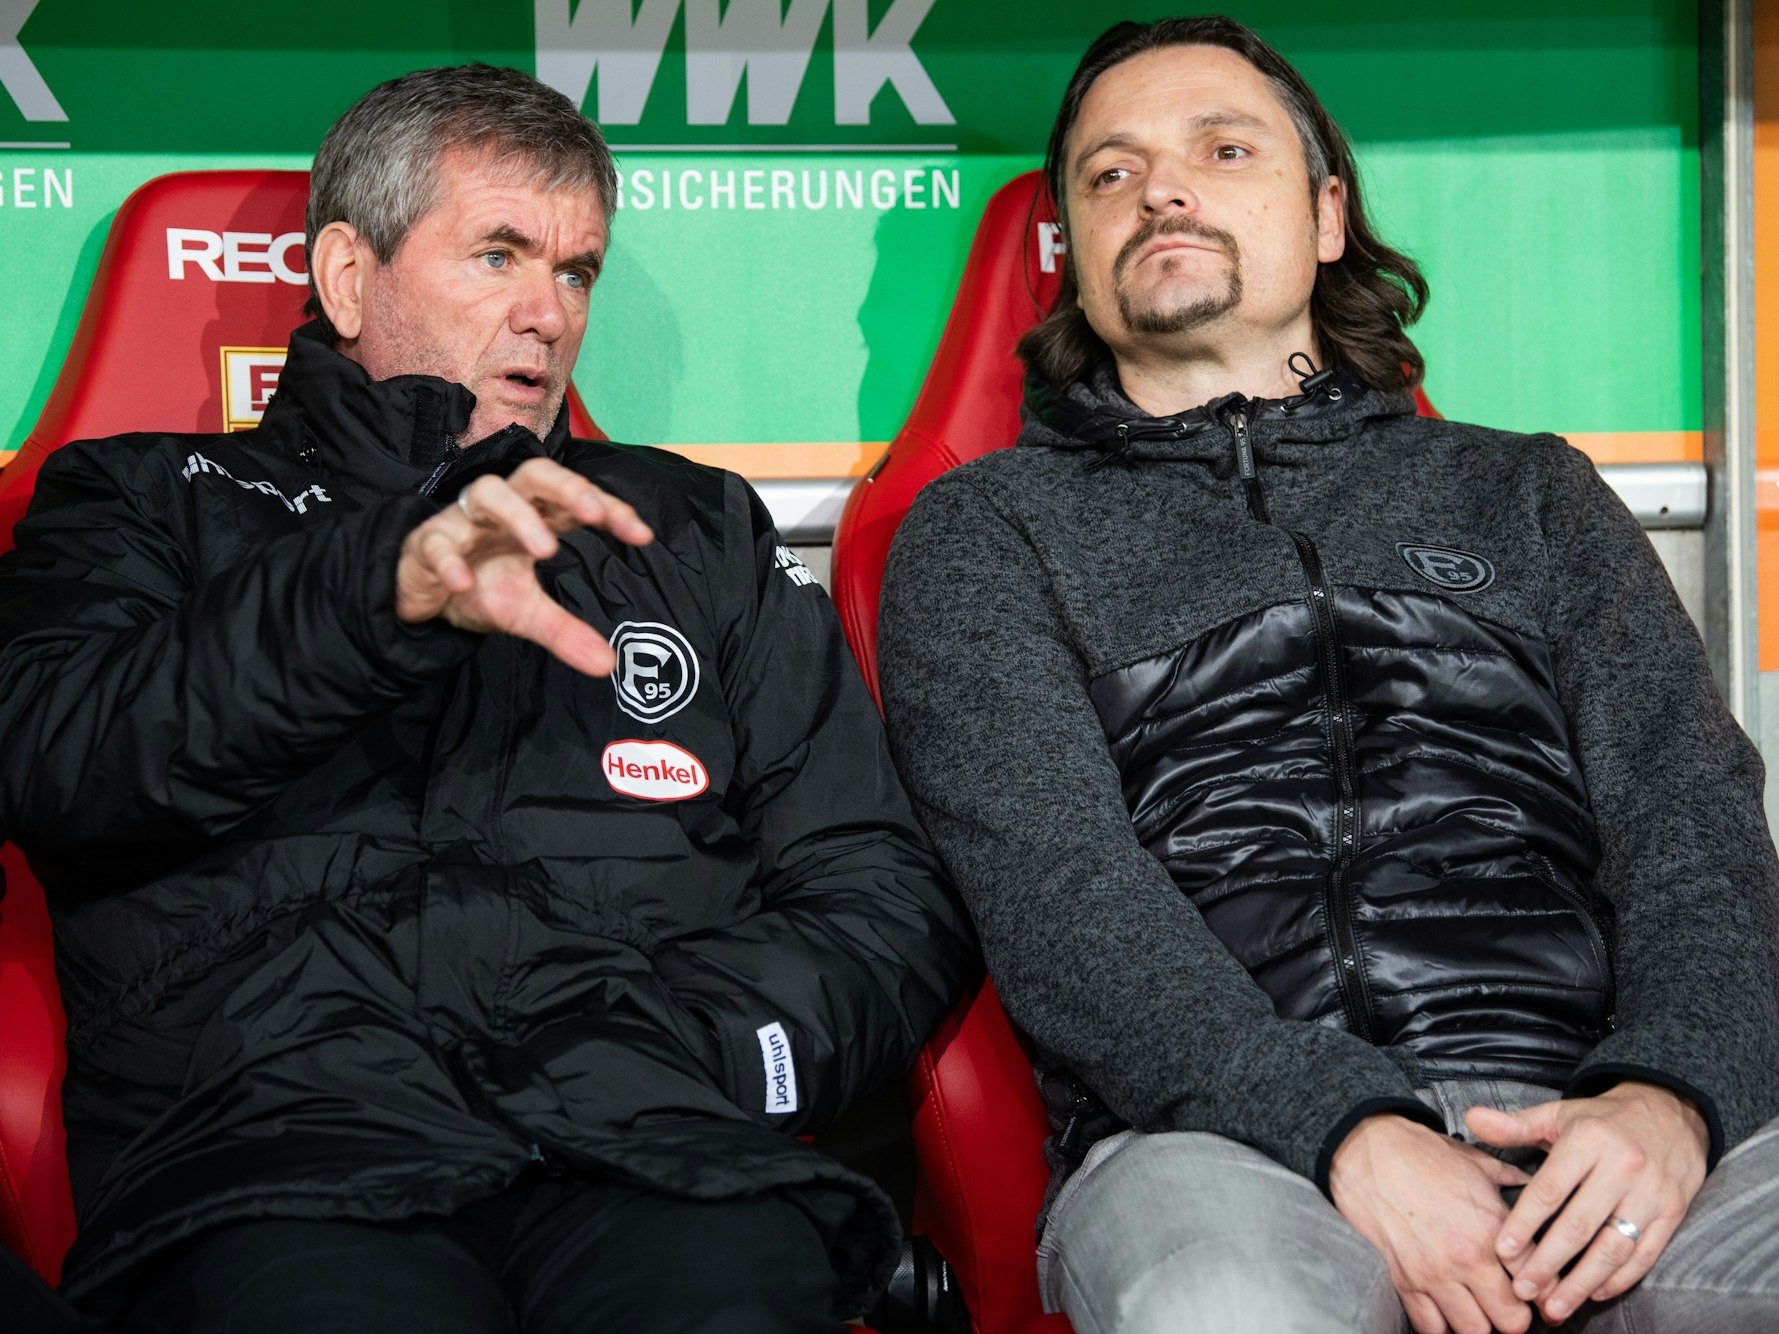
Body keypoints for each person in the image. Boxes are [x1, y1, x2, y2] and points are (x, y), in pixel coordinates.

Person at [0, 63, 974, 1334]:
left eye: (576, 272)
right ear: (350, 275)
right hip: (285, 1158)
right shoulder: (144, 498)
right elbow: (54, 755)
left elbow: (879, 886)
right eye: (500, 254)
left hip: (657, 1144)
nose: (548, 315)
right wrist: (378, 595)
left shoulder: (689, 526)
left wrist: (722, 1047)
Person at [878, 17, 1779, 1334]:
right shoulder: (987, 530)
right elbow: (1063, 904)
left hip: (1588, 1116)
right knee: (1219, 1305)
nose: (1159, 188)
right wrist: (1345, 1127)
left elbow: (1695, 841)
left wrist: (1666, 1099)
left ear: (1324, 217)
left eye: (1220, 148)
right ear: (1069, 262)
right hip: (1222, 1152)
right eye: (1107, 173)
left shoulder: (1523, 491)